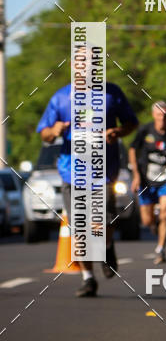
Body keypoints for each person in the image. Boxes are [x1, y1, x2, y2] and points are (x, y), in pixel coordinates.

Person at [37, 66, 138, 297]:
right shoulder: (61, 97)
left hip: (103, 172)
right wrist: (54, 129)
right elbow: (44, 132)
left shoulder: (112, 93)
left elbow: (132, 123)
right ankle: (88, 279)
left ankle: (107, 247)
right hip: (71, 172)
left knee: (102, 224)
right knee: (80, 228)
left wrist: (117, 132)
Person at [129, 101, 166, 264]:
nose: (162, 118)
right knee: (147, 220)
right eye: (159, 114)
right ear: (154, 115)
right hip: (146, 179)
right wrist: (136, 175)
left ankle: (160, 249)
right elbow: (133, 149)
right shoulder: (145, 130)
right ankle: (154, 225)